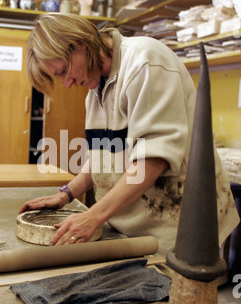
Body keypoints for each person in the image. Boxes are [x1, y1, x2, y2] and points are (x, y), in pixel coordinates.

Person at [19, 13, 239, 255]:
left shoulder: (145, 63)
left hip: (179, 230)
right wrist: (67, 193)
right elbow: (105, 157)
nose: (67, 83)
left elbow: (152, 160)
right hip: (134, 232)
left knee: (183, 293)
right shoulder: (95, 87)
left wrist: (93, 215)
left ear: (79, 44)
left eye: (62, 71)